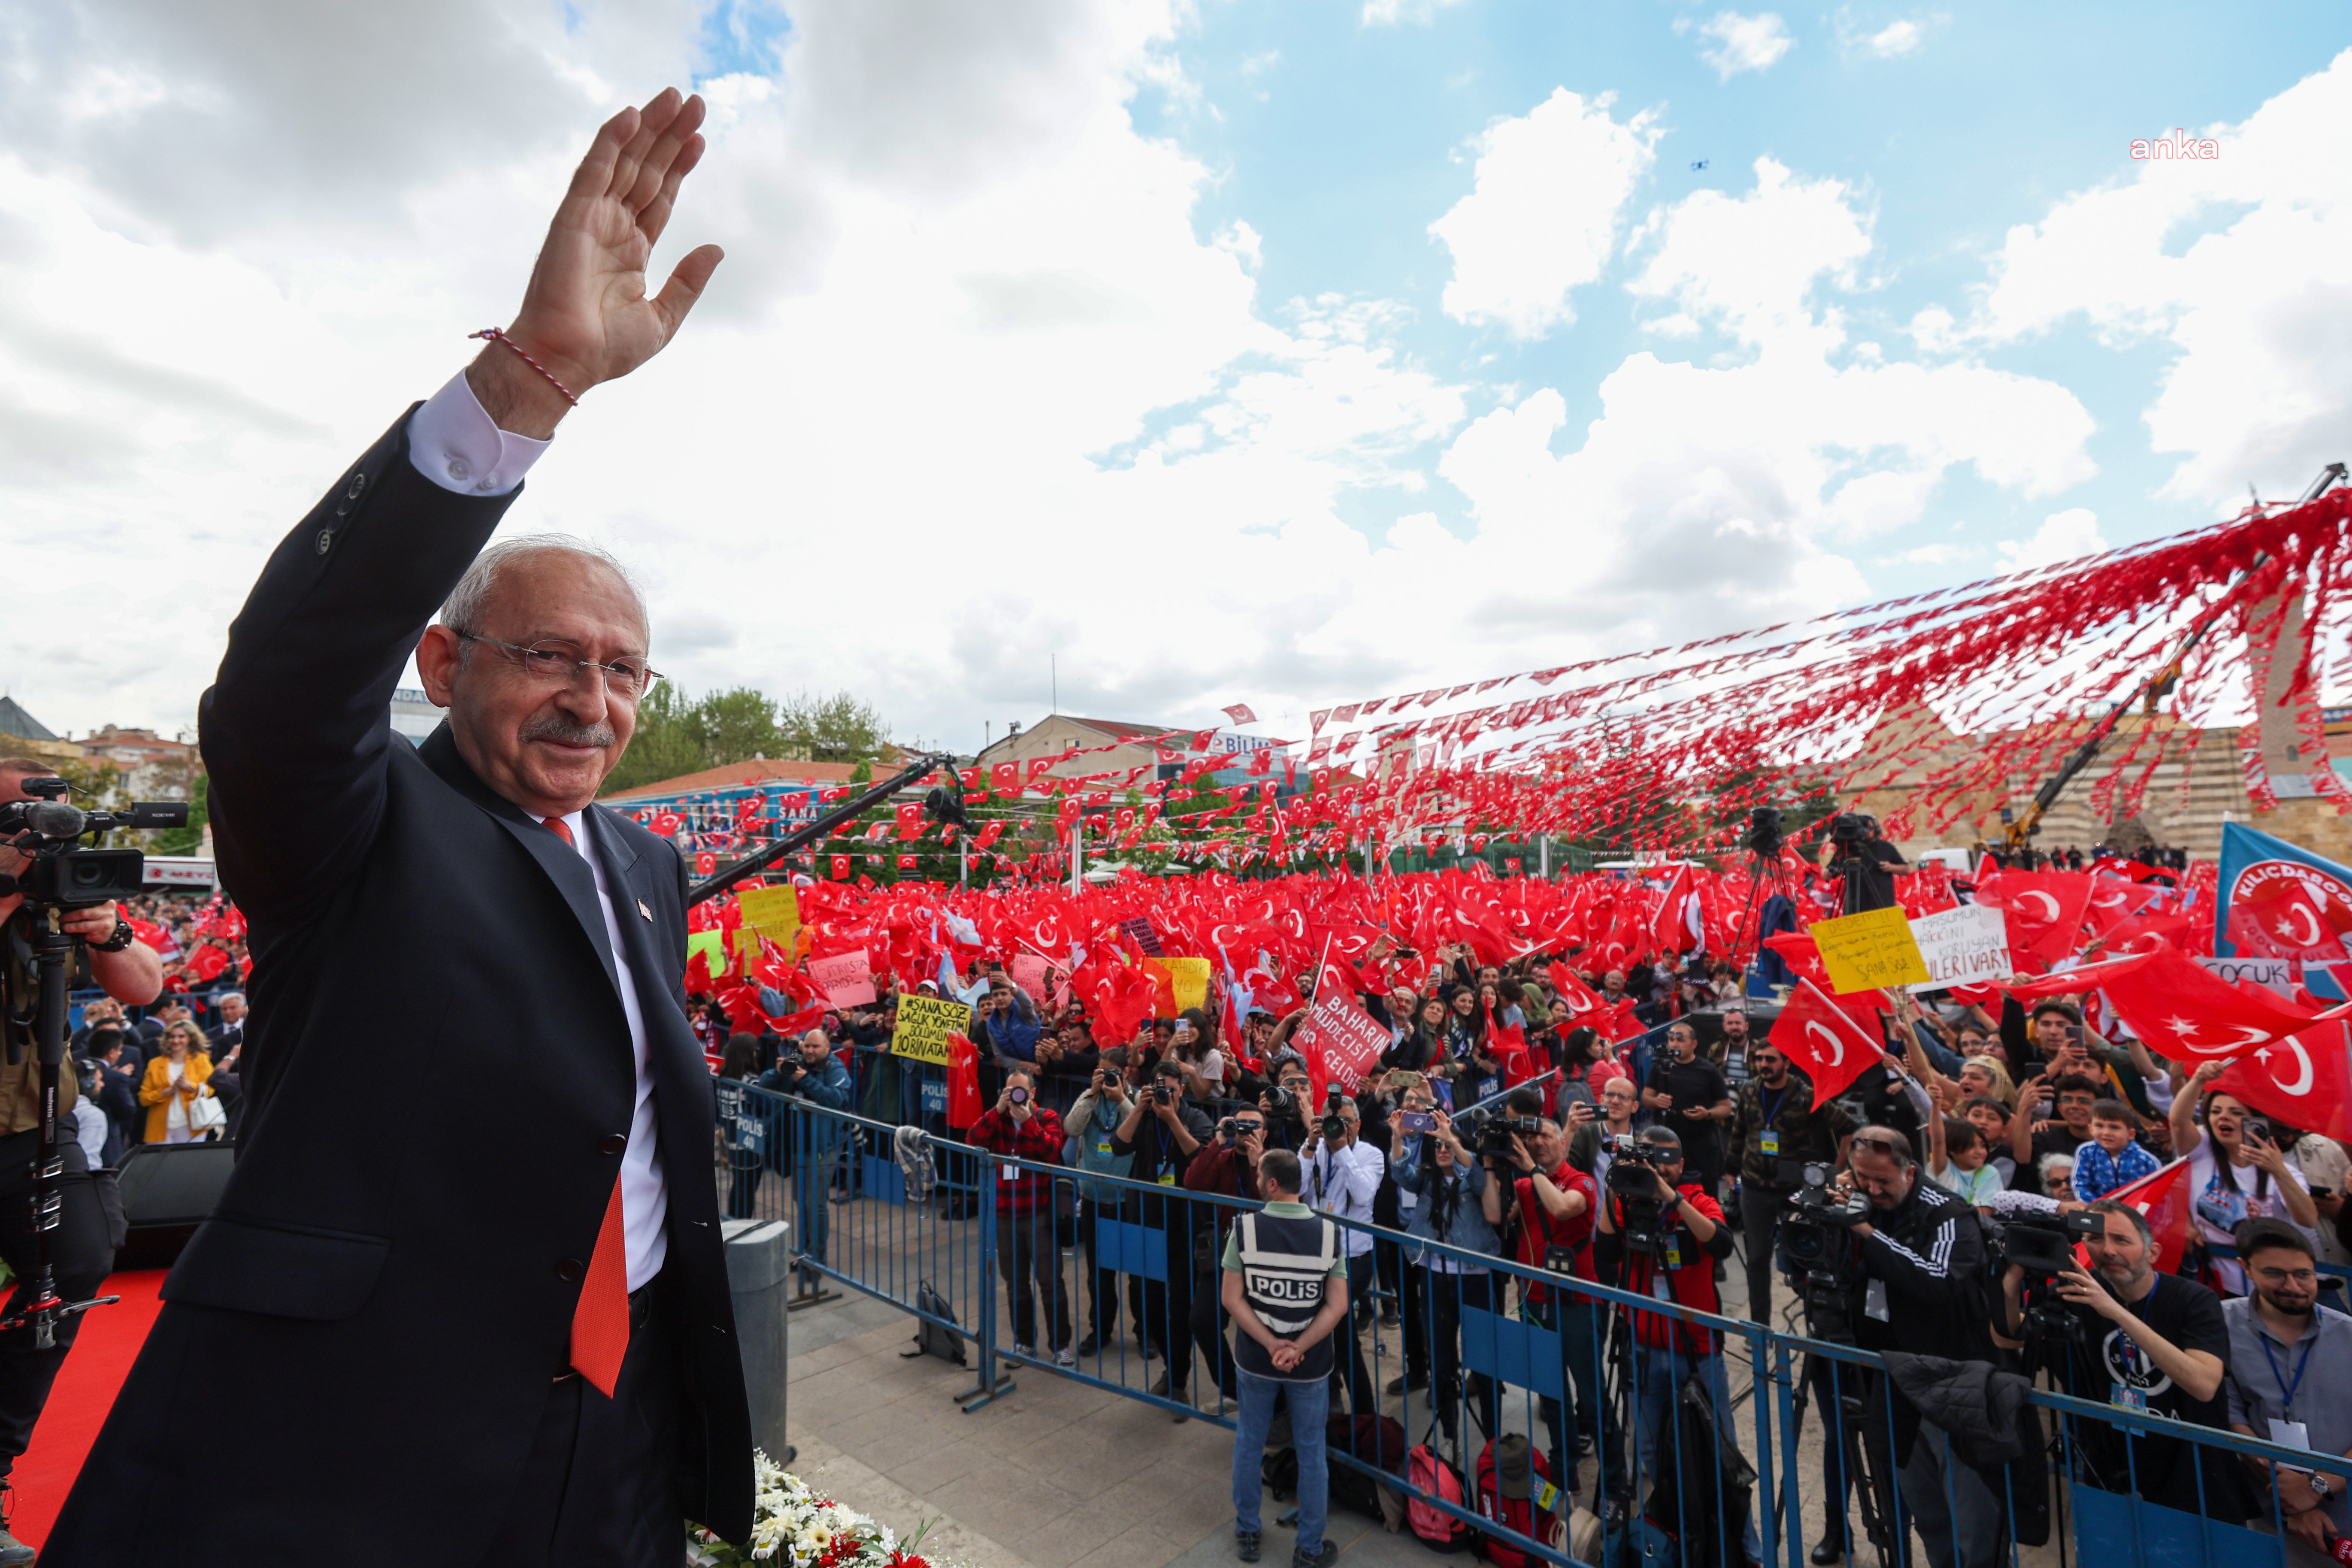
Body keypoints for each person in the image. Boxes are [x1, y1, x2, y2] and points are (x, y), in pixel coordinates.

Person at [52, 94, 753, 1565]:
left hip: (611, 1439)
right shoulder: (356, 819)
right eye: (551, 654)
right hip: (345, 1448)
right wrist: (527, 385)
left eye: (624, 669)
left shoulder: (645, 864)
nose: (593, 699)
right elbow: (288, 679)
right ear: (444, 667)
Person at [0, 761, 162, 1559]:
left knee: (77, 1263)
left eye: (54, 817)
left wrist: (109, 930)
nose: (43, 834)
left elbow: (146, 988)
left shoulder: (62, 892)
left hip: (37, 1121)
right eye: (25, 818)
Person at [1995, 1199, 2239, 1515]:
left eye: (2121, 1240)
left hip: (2191, 1476)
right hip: (2110, 1467)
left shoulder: (2193, 1300)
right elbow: (2007, 1336)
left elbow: (2204, 1384)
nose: (2107, 1250)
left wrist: (2113, 1311)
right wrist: (2012, 1280)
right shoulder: (2076, 1293)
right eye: (2095, 1239)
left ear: (2153, 1253)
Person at [1832, 1127, 2001, 1568]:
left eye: (1883, 1181)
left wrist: (1867, 1232)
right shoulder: (1859, 1202)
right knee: (1926, 1513)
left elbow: (1938, 1281)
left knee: (1971, 1518)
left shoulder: (1949, 1215)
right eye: (1862, 1178)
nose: (1872, 1189)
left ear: (1910, 1171)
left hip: (1950, 1380)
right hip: (1890, 1378)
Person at [1591, 1126, 1755, 1556]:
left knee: (1719, 1449)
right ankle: (1677, 1536)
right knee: (1650, 1448)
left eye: (1666, 1163)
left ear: (1680, 1166)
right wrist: (1615, 1188)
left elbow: (1720, 1244)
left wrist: (1671, 1196)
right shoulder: (1629, 1203)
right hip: (1642, 1347)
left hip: (1695, 1350)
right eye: (1651, 1162)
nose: (1657, 1170)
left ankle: (1745, 1551)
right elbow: (1605, 1253)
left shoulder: (1696, 1199)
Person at [1223, 1150, 1348, 1568]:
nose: (1256, 1180)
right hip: (1310, 1366)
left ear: (1272, 1184)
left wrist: (1271, 1343)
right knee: (1312, 1452)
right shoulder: (1330, 1234)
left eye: (1260, 1174)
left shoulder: (1244, 1229)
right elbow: (1337, 1305)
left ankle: (1248, 1531)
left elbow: (1231, 1298)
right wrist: (1298, 1346)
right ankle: (1310, 1549)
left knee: (1249, 1442)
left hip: (1256, 1362)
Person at [1505, 1116, 1621, 1507]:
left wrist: (1533, 1172)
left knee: (1591, 1398)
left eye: (1544, 1135)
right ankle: (1565, 1481)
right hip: (1534, 1303)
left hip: (1575, 1305)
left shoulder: (1582, 1181)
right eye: (1531, 1137)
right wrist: (1489, 1162)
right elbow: (1493, 1213)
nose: (1537, 1142)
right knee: (1551, 1397)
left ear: (1562, 1141)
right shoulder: (1523, 1185)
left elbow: (1561, 1209)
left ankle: (1614, 1486)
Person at [2223, 1219, 2352, 1565]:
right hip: (2268, 1516)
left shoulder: (2348, 1335)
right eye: (2275, 1273)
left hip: (2345, 1520)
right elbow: (2231, 1415)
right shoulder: (2221, 1325)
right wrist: (2290, 1501)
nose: (2292, 1286)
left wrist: (2314, 1489)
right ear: (2245, 1269)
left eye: (2304, 1275)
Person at [1393, 1108, 1502, 1462]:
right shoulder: (1426, 1180)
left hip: (1474, 1279)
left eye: (1447, 1145)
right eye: (1437, 1145)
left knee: (1485, 1364)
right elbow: (1400, 1172)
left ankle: (1494, 1439)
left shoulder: (1471, 1178)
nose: (1441, 1150)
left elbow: (1477, 1177)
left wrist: (1451, 1137)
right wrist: (1398, 1136)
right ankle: (1448, 1436)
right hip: (1435, 1277)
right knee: (1441, 1362)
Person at [1725, 1040, 1852, 1324]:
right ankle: (1760, 1327)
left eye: (1770, 1059)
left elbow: (1848, 1128)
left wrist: (1837, 1170)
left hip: (1793, 1191)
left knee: (1803, 1259)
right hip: (1755, 1188)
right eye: (1759, 1059)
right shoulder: (1748, 1091)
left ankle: (1812, 1323)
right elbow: (1739, 1131)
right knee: (1757, 1259)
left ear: (1786, 1063)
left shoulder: (1805, 1096)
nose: (1763, 1065)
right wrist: (1730, 1168)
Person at [1114, 1059, 1213, 1411]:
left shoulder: (1193, 1117)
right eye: (1158, 1086)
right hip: (1145, 1220)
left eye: (1169, 1088)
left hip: (1182, 1226)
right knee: (1148, 1302)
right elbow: (1118, 1146)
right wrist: (1138, 1109)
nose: (1163, 1093)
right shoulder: (1145, 1114)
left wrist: (1171, 1118)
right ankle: (1168, 1367)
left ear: (1181, 1090)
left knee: (1180, 1306)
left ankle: (1178, 1377)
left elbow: (1200, 1158)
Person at [2171, 1062, 2320, 1295]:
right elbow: (2178, 1122)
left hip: (2271, 1288)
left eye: (2236, 1113)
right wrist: (2198, 1079)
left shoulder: (2284, 1172)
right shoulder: (2202, 1151)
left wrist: (2278, 1171)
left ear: (2256, 1122)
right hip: (2214, 1281)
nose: (2224, 1118)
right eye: (2216, 1111)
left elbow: (2308, 1219)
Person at [969, 1068, 1074, 1367]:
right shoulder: (998, 1119)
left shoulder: (1047, 1117)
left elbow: (1053, 1151)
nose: (1015, 1096)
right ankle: (1024, 1343)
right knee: (1015, 1283)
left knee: (1050, 1281)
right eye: (1009, 1090)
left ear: (1033, 1093)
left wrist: (1027, 1121)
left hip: (1039, 1213)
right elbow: (973, 1139)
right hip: (1004, 1215)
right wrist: (996, 1110)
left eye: (1020, 1091)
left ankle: (1061, 1346)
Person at [1302, 1093, 1383, 1413]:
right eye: (1334, 1123)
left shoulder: (1370, 1154)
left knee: (1337, 1326)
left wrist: (1342, 1152)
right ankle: (1342, 1400)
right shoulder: (1316, 1148)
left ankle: (1359, 1410)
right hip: (1317, 1255)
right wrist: (1310, 1147)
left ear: (1359, 1124)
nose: (1340, 1128)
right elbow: (1297, 1188)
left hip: (1353, 1259)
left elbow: (1363, 1195)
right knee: (1335, 1329)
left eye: (1347, 1122)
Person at [1065, 1049, 1139, 1356]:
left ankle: (1145, 1333)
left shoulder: (1136, 1101)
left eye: (1112, 1073)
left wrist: (1120, 1097)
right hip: (1094, 1199)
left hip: (1127, 1202)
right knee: (1099, 1276)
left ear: (1125, 1073)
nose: (1107, 1078)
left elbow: (1141, 1130)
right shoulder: (1089, 1098)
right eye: (1101, 1072)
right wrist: (1092, 1094)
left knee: (1138, 1275)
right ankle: (1100, 1331)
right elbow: (1071, 1128)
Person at [769, 1029, 852, 1293]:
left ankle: (817, 1260)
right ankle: (806, 1254)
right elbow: (763, 1085)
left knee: (815, 1206)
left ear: (828, 1047)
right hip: (798, 1145)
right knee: (801, 1203)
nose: (810, 1051)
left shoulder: (835, 1069)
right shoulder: (798, 1062)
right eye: (807, 1046)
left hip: (822, 1148)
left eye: (816, 1047)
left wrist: (804, 1080)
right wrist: (779, 1071)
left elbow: (835, 1099)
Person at [1641, 1021, 1731, 1195]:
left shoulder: (1709, 1070)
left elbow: (1726, 1108)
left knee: (1705, 1194)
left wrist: (1708, 1114)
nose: (1675, 1044)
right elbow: (1646, 1099)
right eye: (1672, 1039)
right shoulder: (1660, 1066)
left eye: (1681, 1040)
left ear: (1694, 1044)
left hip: (1701, 1145)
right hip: (1668, 1143)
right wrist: (1656, 1102)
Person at [136, 1020, 219, 1144]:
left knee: (187, 1161)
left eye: (181, 1037)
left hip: (193, 1123)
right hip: (160, 1125)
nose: (176, 1041)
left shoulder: (201, 1060)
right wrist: (169, 1091)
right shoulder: (155, 1064)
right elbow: (144, 1098)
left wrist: (189, 1086)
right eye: (172, 1037)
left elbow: (211, 1089)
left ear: (191, 1038)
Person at [2071, 1099, 2160, 1202]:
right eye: (2099, 1126)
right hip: (2098, 1211)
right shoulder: (2086, 1152)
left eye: (2114, 1127)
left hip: (2136, 1212)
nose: (2106, 1133)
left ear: (2131, 1134)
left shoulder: (2145, 1159)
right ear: (2091, 1129)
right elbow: (2081, 1184)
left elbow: (2158, 1189)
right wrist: (2093, 1209)